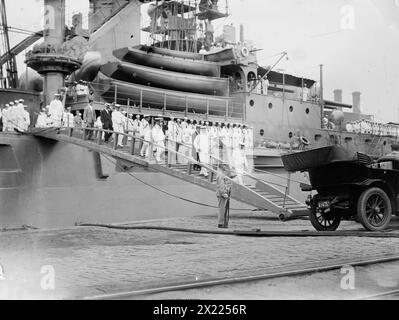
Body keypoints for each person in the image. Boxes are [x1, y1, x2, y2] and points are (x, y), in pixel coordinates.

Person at [216, 164, 233, 229]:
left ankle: (222, 222)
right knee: (222, 209)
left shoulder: (221, 174)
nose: (226, 168)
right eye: (225, 167)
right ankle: (221, 223)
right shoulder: (220, 175)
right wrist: (224, 193)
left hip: (222, 193)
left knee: (222, 208)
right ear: (222, 167)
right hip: (221, 194)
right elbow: (221, 186)